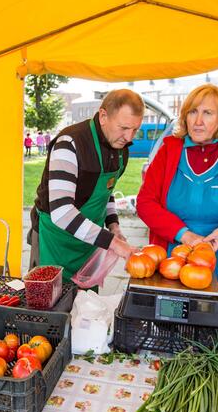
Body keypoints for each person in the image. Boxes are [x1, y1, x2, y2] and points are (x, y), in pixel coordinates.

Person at [137, 84, 218, 307]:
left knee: (214, 325)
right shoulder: (168, 152)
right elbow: (145, 203)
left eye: (207, 113)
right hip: (173, 256)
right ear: (185, 117)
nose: (198, 121)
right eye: (193, 112)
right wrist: (184, 234)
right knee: (171, 320)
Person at [29, 89, 143, 280]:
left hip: (89, 241)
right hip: (55, 240)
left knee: (87, 303)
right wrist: (112, 243)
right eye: (123, 128)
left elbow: (107, 191)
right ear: (103, 116)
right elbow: (62, 212)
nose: (129, 137)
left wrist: (113, 225)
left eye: (135, 130)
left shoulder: (120, 148)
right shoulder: (70, 143)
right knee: (50, 302)